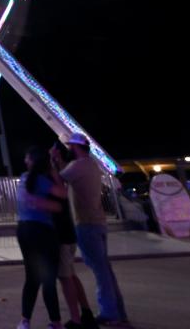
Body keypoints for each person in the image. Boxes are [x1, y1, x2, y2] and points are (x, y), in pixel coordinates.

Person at [56, 133, 130, 327]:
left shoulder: (77, 166)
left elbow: (56, 180)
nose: (68, 149)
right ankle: (118, 311)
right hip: (99, 222)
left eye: (70, 146)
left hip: (86, 224)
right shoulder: (91, 165)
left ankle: (110, 313)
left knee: (100, 271)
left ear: (76, 147)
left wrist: (54, 160)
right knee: (105, 270)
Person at [15, 146, 65, 329]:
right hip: (43, 232)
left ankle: (25, 320)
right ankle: (55, 322)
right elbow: (62, 195)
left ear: (31, 161)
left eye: (27, 158)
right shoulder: (44, 181)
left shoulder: (24, 179)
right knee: (48, 279)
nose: (24, 161)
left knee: (31, 278)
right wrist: (53, 169)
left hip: (24, 231)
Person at [51, 142, 97, 329]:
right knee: (70, 274)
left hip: (62, 231)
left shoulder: (65, 175)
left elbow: (57, 191)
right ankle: (85, 312)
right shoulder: (79, 170)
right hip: (70, 229)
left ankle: (76, 320)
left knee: (64, 277)